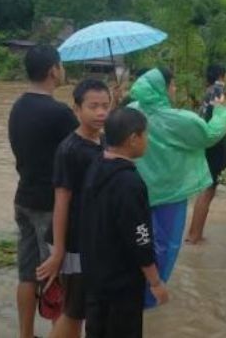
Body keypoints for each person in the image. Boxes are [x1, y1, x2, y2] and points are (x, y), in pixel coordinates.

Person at [127, 68, 226, 306]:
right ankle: (152, 295)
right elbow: (209, 135)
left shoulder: (130, 111)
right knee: (164, 245)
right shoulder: (178, 119)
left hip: (134, 191)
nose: (173, 90)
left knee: (136, 241)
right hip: (169, 194)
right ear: (163, 88)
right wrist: (221, 111)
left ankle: (133, 291)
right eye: (172, 85)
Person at [80, 108, 169, 338]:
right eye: (145, 135)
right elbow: (139, 238)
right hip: (121, 284)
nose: (147, 140)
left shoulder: (96, 165)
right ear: (133, 139)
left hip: (94, 277)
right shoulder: (129, 182)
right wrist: (156, 282)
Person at [9, 45, 78, 338]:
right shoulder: (59, 113)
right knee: (56, 277)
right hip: (51, 206)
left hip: (23, 198)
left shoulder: (18, 106)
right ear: (53, 70)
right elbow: (85, 143)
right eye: (61, 66)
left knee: (27, 274)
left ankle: (26, 334)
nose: (62, 71)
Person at [35, 79, 111, 338]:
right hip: (73, 242)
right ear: (77, 109)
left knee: (83, 307)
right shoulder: (70, 150)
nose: (101, 112)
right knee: (73, 311)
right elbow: (61, 201)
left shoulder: (103, 141)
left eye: (105, 106)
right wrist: (58, 252)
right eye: (93, 106)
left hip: (92, 239)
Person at [186, 64, 226, 244]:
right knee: (208, 189)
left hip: (205, 142)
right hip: (214, 143)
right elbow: (218, 119)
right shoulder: (218, 90)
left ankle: (195, 233)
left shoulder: (207, 91)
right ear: (222, 75)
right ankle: (194, 235)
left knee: (206, 187)